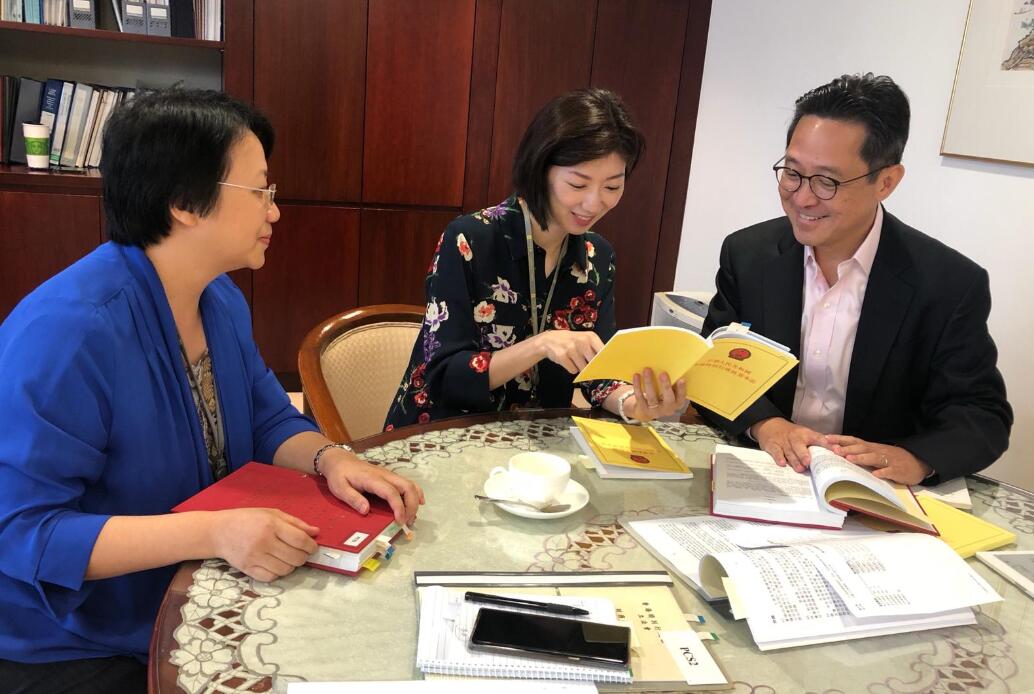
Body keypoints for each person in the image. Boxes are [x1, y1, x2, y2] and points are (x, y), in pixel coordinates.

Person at [0, 89, 423, 692]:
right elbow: (24, 533)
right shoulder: (68, 334)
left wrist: (333, 460)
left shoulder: (217, 297)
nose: (275, 212)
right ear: (183, 203)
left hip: (194, 587)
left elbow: (268, 417)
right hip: (75, 641)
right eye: (259, 191)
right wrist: (214, 531)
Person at [699, 73, 1012, 486]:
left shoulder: (947, 284)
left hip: (870, 492)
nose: (802, 197)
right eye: (792, 172)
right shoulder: (748, 254)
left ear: (886, 182)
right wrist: (766, 424)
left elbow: (981, 415)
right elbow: (713, 366)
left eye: (827, 181)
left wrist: (915, 459)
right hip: (763, 475)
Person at [385, 88, 687, 430]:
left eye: (612, 187)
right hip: (444, 433)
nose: (594, 203)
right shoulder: (470, 239)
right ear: (540, 170)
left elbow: (598, 374)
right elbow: (443, 376)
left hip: (539, 445)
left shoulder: (597, 257)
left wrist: (634, 403)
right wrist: (541, 345)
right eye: (578, 184)